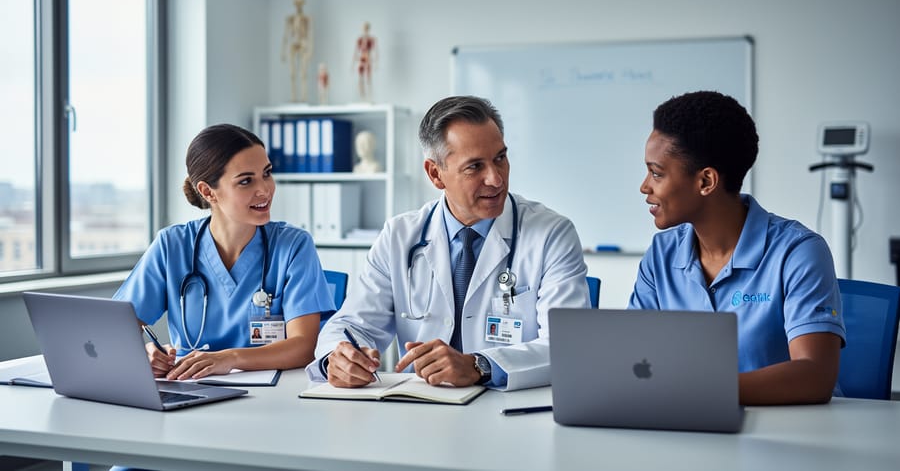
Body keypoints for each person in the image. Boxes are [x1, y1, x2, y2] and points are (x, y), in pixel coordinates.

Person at [307, 95, 589, 391]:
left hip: (509, 411)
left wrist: (480, 365)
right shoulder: (400, 236)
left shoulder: (551, 234)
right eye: (474, 167)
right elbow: (351, 325)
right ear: (435, 174)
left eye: (500, 158)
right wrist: (336, 360)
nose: (495, 179)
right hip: (422, 413)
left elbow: (567, 346)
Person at [630, 90, 845, 405]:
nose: (644, 186)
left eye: (657, 173)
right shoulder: (661, 254)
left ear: (706, 182)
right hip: (689, 428)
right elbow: (634, 357)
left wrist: (698, 393)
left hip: (792, 436)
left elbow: (815, 375)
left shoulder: (799, 252)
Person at [114, 123, 334, 381]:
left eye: (267, 173)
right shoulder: (171, 246)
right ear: (208, 192)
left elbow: (304, 346)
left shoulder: (293, 245)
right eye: (245, 181)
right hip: (190, 388)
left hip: (273, 397)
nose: (264, 189)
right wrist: (146, 353)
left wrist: (228, 359)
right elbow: (115, 329)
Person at [281, 0, 313, 103]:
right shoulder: (290, 19)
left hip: (303, 44)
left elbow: (309, 34)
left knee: (303, 72)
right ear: (295, 4)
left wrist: (310, 50)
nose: (298, 5)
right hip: (293, 43)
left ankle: (304, 97)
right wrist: (283, 51)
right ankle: (294, 97)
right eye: (297, 3)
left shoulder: (306, 19)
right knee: (292, 73)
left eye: (300, 3)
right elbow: (286, 35)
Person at [352, 21, 377, 102]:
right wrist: (353, 64)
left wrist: (375, 62)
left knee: (368, 79)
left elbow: (375, 51)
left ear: (368, 29)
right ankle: (362, 97)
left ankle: (369, 97)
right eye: (364, 28)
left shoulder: (371, 39)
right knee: (361, 79)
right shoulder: (359, 40)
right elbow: (356, 52)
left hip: (368, 60)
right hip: (361, 60)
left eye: (366, 28)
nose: (365, 30)